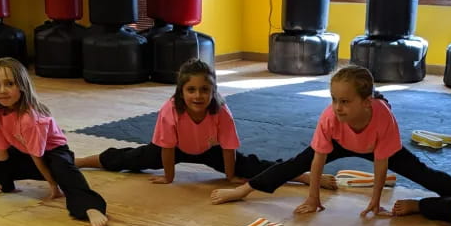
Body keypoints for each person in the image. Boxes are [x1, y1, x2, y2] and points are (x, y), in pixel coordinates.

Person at [210, 65, 451, 215]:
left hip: (375, 145)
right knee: (293, 164)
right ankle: (243, 190)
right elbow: (317, 160)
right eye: (333, 99)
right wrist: (313, 197)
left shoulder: (383, 117)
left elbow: (381, 163)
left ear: (366, 102)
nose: (337, 107)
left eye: (344, 101)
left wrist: (375, 202)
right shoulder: (330, 117)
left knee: (421, 171)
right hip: (340, 141)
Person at [75, 58, 332, 190]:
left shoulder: (220, 111)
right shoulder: (170, 110)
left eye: (204, 90)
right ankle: (81, 161)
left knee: (250, 165)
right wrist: (168, 176)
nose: (198, 95)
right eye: (191, 90)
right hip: (173, 149)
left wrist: (230, 176)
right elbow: (165, 148)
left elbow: (229, 148)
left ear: (213, 91)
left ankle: (303, 176)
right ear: (181, 91)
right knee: (130, 158)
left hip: (210, 150)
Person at [0, 58, 110, 226]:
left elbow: (37, 155)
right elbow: (0, 154)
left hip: (51, 155)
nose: (2, 90)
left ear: (22, 86)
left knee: (64, 168)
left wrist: (53, 185)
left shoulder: (31, 118)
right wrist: (6, 183)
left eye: (9, 84)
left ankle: (90, 207)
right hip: (23, 154)